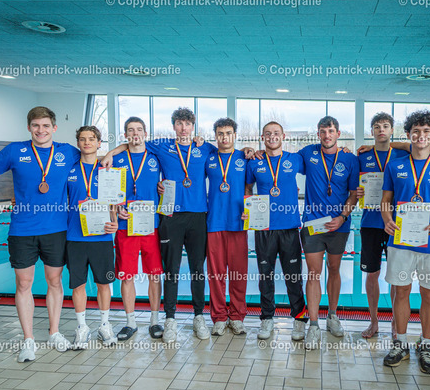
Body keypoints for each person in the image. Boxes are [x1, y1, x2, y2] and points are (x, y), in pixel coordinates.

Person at [102, 108, 254, 342]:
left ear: (193, 127)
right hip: (170, 216)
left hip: (198, 216)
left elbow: (230, 152)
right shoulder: (162, 146)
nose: (183, 128)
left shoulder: (205, 148)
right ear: (174, 126)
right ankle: (170, 319)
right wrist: (111, 152)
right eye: (179, 124)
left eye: (188, 124)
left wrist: (248, 149)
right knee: (171, 270)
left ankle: (198, 316)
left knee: (197, 269)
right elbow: (134, 142)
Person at [0, 106, 77, 361]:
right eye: (36, 125)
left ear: (54, 128)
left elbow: (96, 161)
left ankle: (54, 332)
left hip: (56, 229)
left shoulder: (68, 152)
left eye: (45, 125)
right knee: (23, 284)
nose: (41, 130)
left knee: (54, 281)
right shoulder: (15, 151)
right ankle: (28, 339)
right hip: (22, 230)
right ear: (29, 127)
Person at [380, 110, 430, 375]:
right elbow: (385, 201)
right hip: (401, 240)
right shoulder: (395, 165)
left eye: (426, 131)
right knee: (401, 292)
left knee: (429, 295)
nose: (421, 135)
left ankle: (425, 345)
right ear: (408, 134)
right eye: (416, 131)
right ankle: (400, 343)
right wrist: (387, 220)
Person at [298, 116, 359, 349]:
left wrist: (342, 217)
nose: (327, 135)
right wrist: (254, 152)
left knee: (334, 269)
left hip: (338, 225)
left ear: (338, 133)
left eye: (331, 131)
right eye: (323, 131)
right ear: (318, 134)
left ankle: (332, 315)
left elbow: (354, 195)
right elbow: (281, 159)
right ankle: (313, 325)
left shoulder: (350, 159)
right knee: (314, 273)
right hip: (313, 225)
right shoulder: (308, 153)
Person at [245, 121, 308, 341]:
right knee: (265, 276)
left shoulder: (295, 159)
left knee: (293, 277)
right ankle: (267, 319)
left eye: (276, 133)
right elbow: (247, 187)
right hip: (264, 228)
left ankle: (299, 319)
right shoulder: (254, 162)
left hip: (289, 227)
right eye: (268, 133)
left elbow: (319, 157)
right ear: (262, 137)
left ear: (284, 136)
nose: (272, 136)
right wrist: (248, 207)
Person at [356, 112, 408, 338]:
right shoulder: (363, 156)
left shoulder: (402, 154)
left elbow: (421, 147)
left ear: (392, 130)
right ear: (372, 131)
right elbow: (354, 185)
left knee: (396, 276)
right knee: (372, 274)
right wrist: (358, 192)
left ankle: (396, 324)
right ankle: (374, 321)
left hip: (396, 224)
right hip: (370, 223)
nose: (381, 130)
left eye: (385, 126)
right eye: (377, 127)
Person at [65, 126, 118, 348]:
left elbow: (113, 201)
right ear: (78, 143)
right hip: (75, 237)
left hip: (102, 238)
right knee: (78, 285)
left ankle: (105, 325)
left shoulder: (107, 169)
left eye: (92, 139)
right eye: (82, 139)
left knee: (103, 283)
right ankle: (82, 328)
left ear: (99, 143)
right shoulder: (69, 170)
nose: (87, 142)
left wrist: (115, 221)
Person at [112, 117, 164, 341]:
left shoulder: (156, 156)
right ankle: (130, 322)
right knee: (127, 276)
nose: (135, 133)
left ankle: (154, 320)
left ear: (145, 133)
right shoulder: (116, 158)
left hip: (151, 226)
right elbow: (108, 191)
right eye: (131, 130)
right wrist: (116, 207)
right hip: (126, 226)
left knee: (154, 275)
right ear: (125, 135)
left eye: (139, 129)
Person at [205, 118, 248, 336]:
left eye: (228, 133)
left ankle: (237, 316)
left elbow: (252, 186)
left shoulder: (245, 157)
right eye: (220, 133)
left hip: (238, 223)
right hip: (214, 223)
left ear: (235, 135)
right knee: (216, 275)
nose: (224, 137)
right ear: (215, 135)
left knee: (239, 273)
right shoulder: (208, 157)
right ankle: (220, 317)